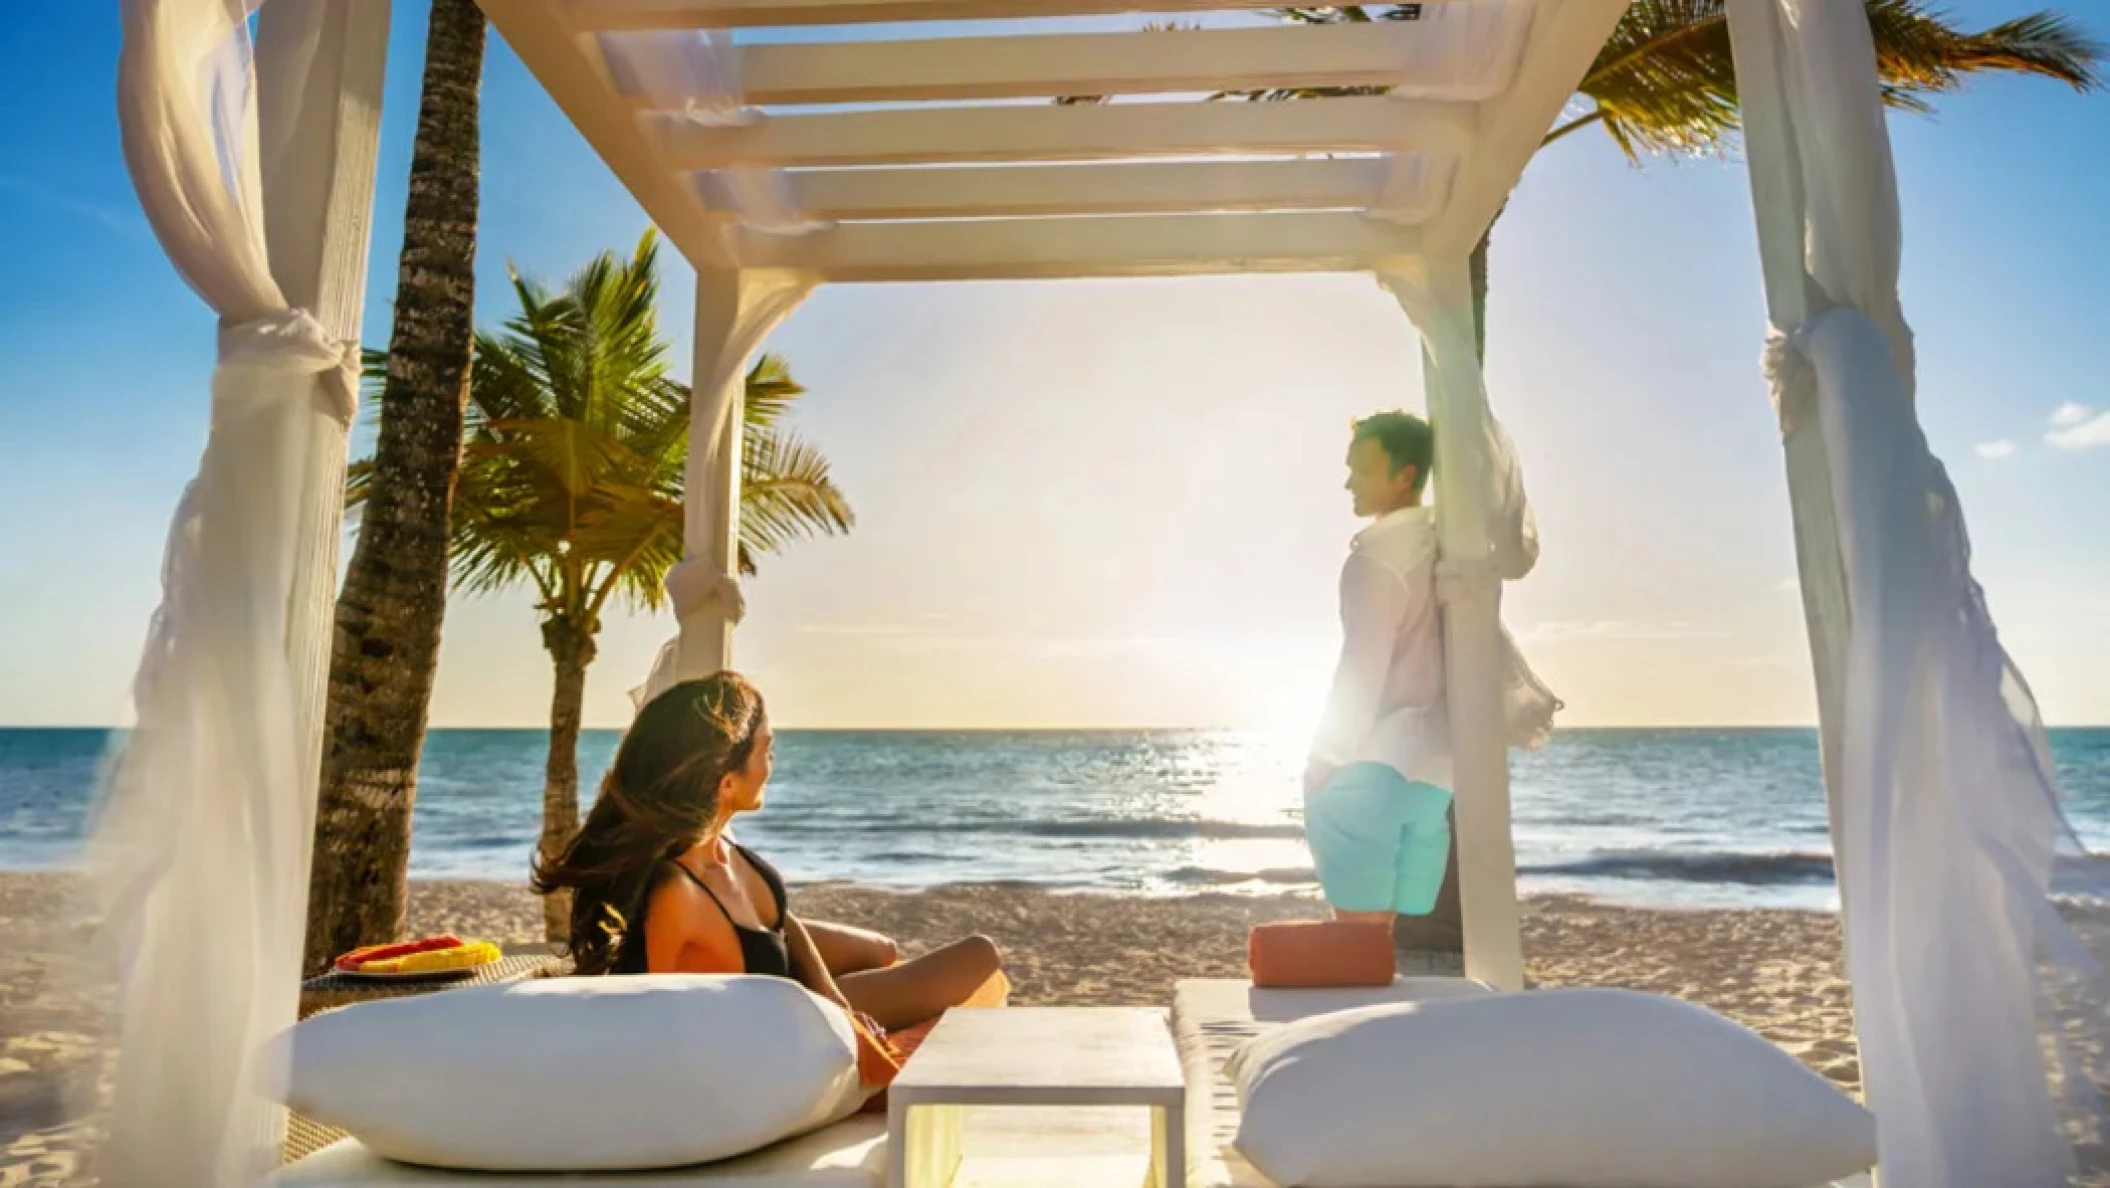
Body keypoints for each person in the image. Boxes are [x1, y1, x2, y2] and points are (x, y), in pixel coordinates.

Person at [532, 672, 1005, 1035]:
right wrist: (840, 1022)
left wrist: (831, 996)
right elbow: (662, 1023)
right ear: (726, 780)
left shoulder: (717, 847)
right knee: (979, 957)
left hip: (787, 982)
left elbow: (788, 923)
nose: (771, 765)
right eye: (766, 750)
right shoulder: (676, 890)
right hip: (782, 1023)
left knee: (883, 950)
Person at [1303, 411, 1457, 931]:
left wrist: (1326, 755)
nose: (1349, 481)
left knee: (1358, 941)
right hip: (1435, 773)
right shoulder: (1439, 544)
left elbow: (1362, 665)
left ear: (1405, 475)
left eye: (1363, 469)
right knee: (1391, 938)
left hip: (1374, 768)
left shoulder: (1375, 561)